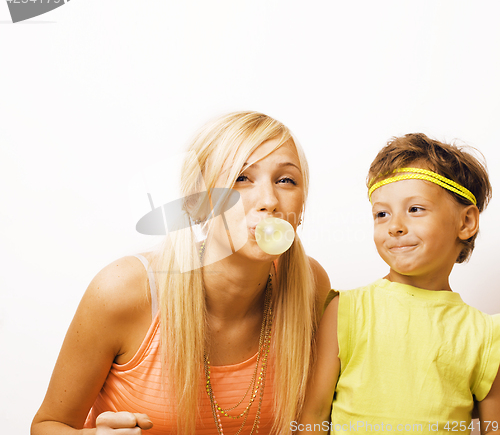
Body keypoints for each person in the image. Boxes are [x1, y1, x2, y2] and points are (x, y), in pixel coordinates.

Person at [31, 111, 334, 435]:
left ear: (301, 207)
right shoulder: (124, 291)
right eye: (241, 178)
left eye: (286, 180)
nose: (270, 201)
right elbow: (48, 425)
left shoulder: (310, 286)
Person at [296, 134, 500, 434]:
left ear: (466, 222)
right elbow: (311, 417)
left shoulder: (485, 335)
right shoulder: (346, 310)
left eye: (415, 209)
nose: (394, 226)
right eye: (382, 214)